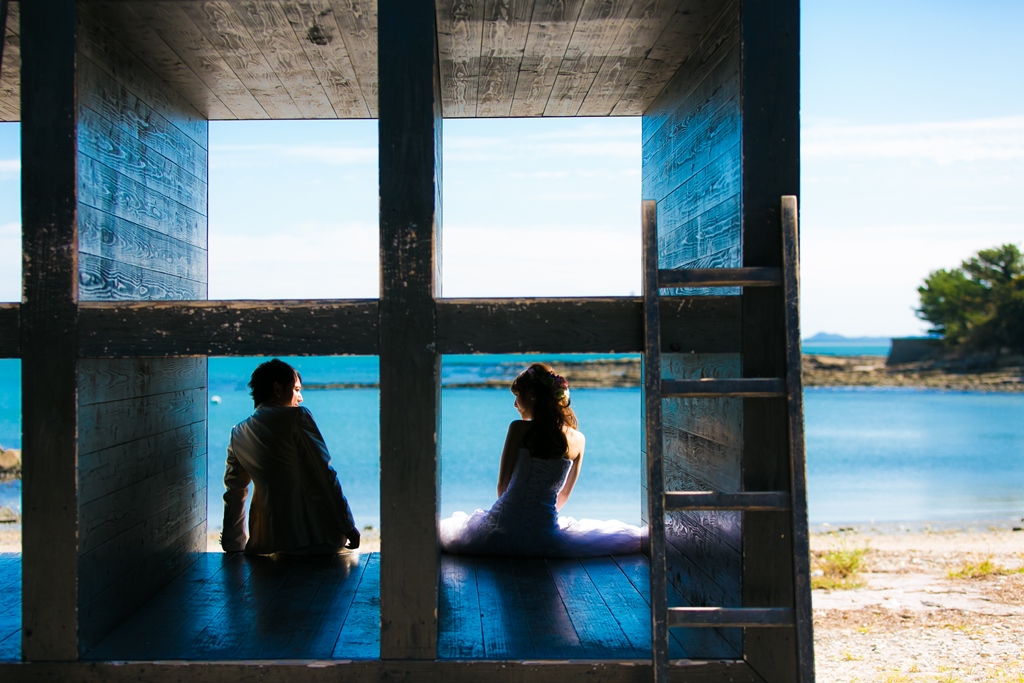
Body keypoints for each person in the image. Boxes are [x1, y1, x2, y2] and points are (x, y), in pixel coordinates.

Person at [439, 363, 642, 557]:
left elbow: (503, 485)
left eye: (517, 396)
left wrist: (506, 517)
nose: (515, 404)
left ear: (532, 395)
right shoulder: (579, 440)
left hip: (504, 529)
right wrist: (539, 521)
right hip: (544, 534)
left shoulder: (518, 429)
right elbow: (564, 495)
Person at [221, 358, 360, 555]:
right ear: (278, 389)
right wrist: (347, 524)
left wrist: (233, 545)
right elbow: (324, 473)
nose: (300, 398)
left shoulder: (238, 432)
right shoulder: (297, 417)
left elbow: (234, 491)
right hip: (314, 537)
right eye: (296, 389)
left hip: (266, 542)